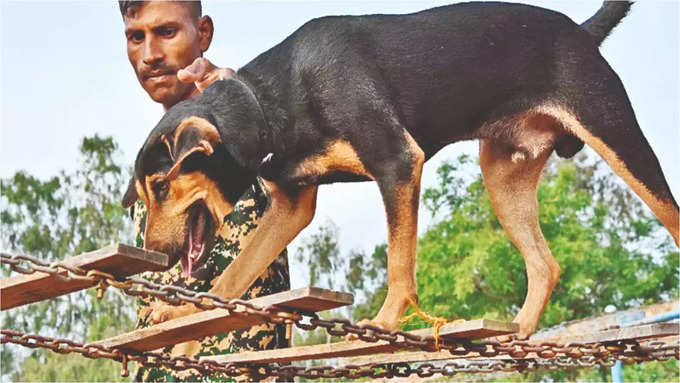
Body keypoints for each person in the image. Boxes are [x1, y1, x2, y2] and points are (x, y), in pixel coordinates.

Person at [119, 1, 291, 381]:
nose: (149, 55)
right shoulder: (148, 169)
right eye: (136, 37)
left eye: (166, 32)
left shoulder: (253, 128)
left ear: (204, 33)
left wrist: (233, 93)